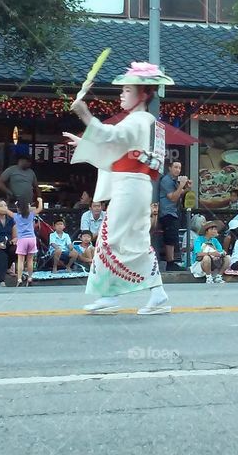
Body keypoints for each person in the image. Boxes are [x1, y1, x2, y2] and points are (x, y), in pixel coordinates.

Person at [63, 61, 174, 314]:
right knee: (118, 239)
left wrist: (85, 113)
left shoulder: (139, 120)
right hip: (131, 185)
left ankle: (123, 295)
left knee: (115, 239)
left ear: (143, 94)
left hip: (132, 186)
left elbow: (112, 138)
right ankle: (137, 294)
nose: (121, 94)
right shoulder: (141, 120)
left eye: (127, 90)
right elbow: (116, 148)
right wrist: (84, 140)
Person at [157, 160, 190, 271]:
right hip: (167, 212)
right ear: (170, 168)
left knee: (173, 237)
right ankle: (170, 262)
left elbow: (178, 194)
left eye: (179, 168)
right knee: (169, 238)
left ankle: (172, 261)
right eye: (175, 167)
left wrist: (186, 188)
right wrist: (181, 185)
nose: (178, 170)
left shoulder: (173, 180)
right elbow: (173, 197)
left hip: (174, 212)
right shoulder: (166, 180)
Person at [12, 197, 43, 286]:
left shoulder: (16, 216)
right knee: (30, 260)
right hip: (32, 239)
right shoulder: (31, 214)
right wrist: (40, 201)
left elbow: (6, 211)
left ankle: (19, 279)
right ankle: (30, 277)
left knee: (21, 260)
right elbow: (40, 208)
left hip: (22, 239)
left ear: (18, 208)